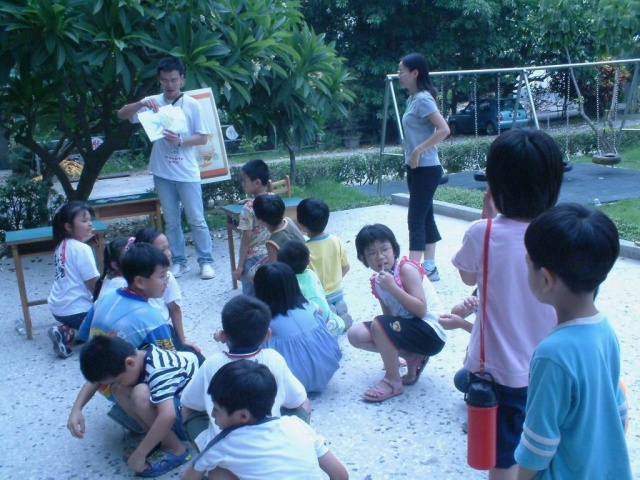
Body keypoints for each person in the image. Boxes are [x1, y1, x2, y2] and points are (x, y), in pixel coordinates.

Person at [451, 128, 564, 479]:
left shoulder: (482, 233)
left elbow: (467, 278)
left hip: (498, 373)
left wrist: (486, 219)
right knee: (546, 446)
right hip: (552, 368)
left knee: (502, 458)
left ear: (495, 187)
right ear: (553, 184)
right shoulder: (561, 234)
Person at [514, 203, 631, 480]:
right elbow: (618, 409)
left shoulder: (552, 354)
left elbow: (538, 444)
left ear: (545, 279)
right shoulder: (605, 330)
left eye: (528, 263)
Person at [117, 56, 214, 280]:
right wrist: (142, 103)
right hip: (162, 172)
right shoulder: (152, 102)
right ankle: (178, 261)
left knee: (197, 219)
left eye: (174, 80)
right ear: (159, 80)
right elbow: (121, 114)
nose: (169, 85)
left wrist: (180, 141)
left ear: (182, 79)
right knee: (171, 221)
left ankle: (206, 261)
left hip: (187, 172)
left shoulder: (192, 104)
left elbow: (202, 137)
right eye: (165, 80)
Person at [69, 243, 176, 440]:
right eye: (162, 276)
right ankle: (161, 434)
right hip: (123, 386)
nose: (166, 281)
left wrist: (76, 408)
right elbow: (171, 369)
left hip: (106, 379)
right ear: (140, 282)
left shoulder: (105, 297)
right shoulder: (151, 319)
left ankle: (128, 412)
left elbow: (92, 347)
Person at [180, 294, 311, 453]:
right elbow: (296, 401)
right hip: (267, 446)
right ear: (267, 334)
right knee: (304, 402)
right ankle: (295, 449)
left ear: (223, 336)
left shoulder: (211, 363)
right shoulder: (274, 358)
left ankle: (205, 456)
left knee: (189, 412)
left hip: (221, 452)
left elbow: (188, 402)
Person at [181, 360, 349, 480]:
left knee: (217, 471)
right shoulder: (298, 425)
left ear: (243, 416)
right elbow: (341, 475)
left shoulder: (223, 444)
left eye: (216, 410)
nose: (213, 415)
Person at [349, 224, 446, 402]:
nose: (380, 256)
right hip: (409, 331)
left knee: (379, 324)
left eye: (385, 249)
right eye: (372, 253)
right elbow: (389, 321)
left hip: (431, 332)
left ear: (394, 249)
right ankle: (412, 357)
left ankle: (393, 381)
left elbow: (421, 310)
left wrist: (393, 288)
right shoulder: (378, 281)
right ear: (363, 258)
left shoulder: (406, 269)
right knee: (355, 334)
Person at [79, 335, 198, 477]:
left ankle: (175, 448)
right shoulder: (136, 355)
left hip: (190, 419)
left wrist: (140, 454)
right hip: (174, 403)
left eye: (119, 379)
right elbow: (101, 381)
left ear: (130, 363)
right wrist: (76, 409)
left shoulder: (158, 370)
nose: (119, 382)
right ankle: (156, 439)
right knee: (118, 389)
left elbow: (168, 415)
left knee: (140, 394)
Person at [397, 52, 450, 281]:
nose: (398, 75)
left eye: (401, 71)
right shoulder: (412, 99)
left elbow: (444, 129)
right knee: (425, 216)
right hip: (415, 168)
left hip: (427, 168)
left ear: (415, 73)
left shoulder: (423, 100)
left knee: (415, 220)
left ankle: (412, 271)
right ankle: (429, 267)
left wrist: (419, 149)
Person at [253, 262, 342, 393]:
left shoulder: (265, 320)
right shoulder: (308, 305)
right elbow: (321, 313)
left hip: (292, 383)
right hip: (325, 370)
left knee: (255, 338)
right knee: (317, 318)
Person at [134, 227, 202, 357]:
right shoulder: (166, 277)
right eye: (162, 250)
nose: (168, 253)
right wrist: (182, 341)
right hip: (158, 331)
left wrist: (182, 341)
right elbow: (174, 309)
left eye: (168, 248)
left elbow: (175, 309)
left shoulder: (133, 277)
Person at [47, 201, 100, 358]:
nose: (90, 224)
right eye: (84, 221)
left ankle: (70, 330)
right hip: (77, 310)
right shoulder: (82, 249)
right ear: (69, 227)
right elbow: (93, 286)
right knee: (111, 329)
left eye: (90, 220)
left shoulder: (61, 246)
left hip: (58, 309)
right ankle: (68, 332)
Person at [296, 198, 352, 330]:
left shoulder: (305, 250)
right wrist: (335, 280)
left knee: (324, 320)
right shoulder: (336, 240)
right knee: (336, 304)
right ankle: (340, 310)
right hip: (338, 291)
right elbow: (346, 267)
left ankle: (331, 316)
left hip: (319, 296)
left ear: (302, 225)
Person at [277, 239, 345, 336]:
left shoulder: (286, 283)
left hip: (314, 328)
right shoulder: (311, 274)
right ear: (308, 261)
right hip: (330, 321)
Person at [232, 159, 272, 295]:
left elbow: (246, 239)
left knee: (251, 295)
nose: (242, 184)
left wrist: (240, 266)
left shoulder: (248, 208)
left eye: (245, 181)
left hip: (252, 258)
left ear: (257, 183)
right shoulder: (273, 199)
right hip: (271, 252)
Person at [438, 293, 479, 394]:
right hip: (488, 355)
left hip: (508, 359)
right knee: (462, 380)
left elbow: (495, 337)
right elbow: (456, 313)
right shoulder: (485, 287)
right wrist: (467, 305)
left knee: (465, 382)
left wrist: (462, 324)